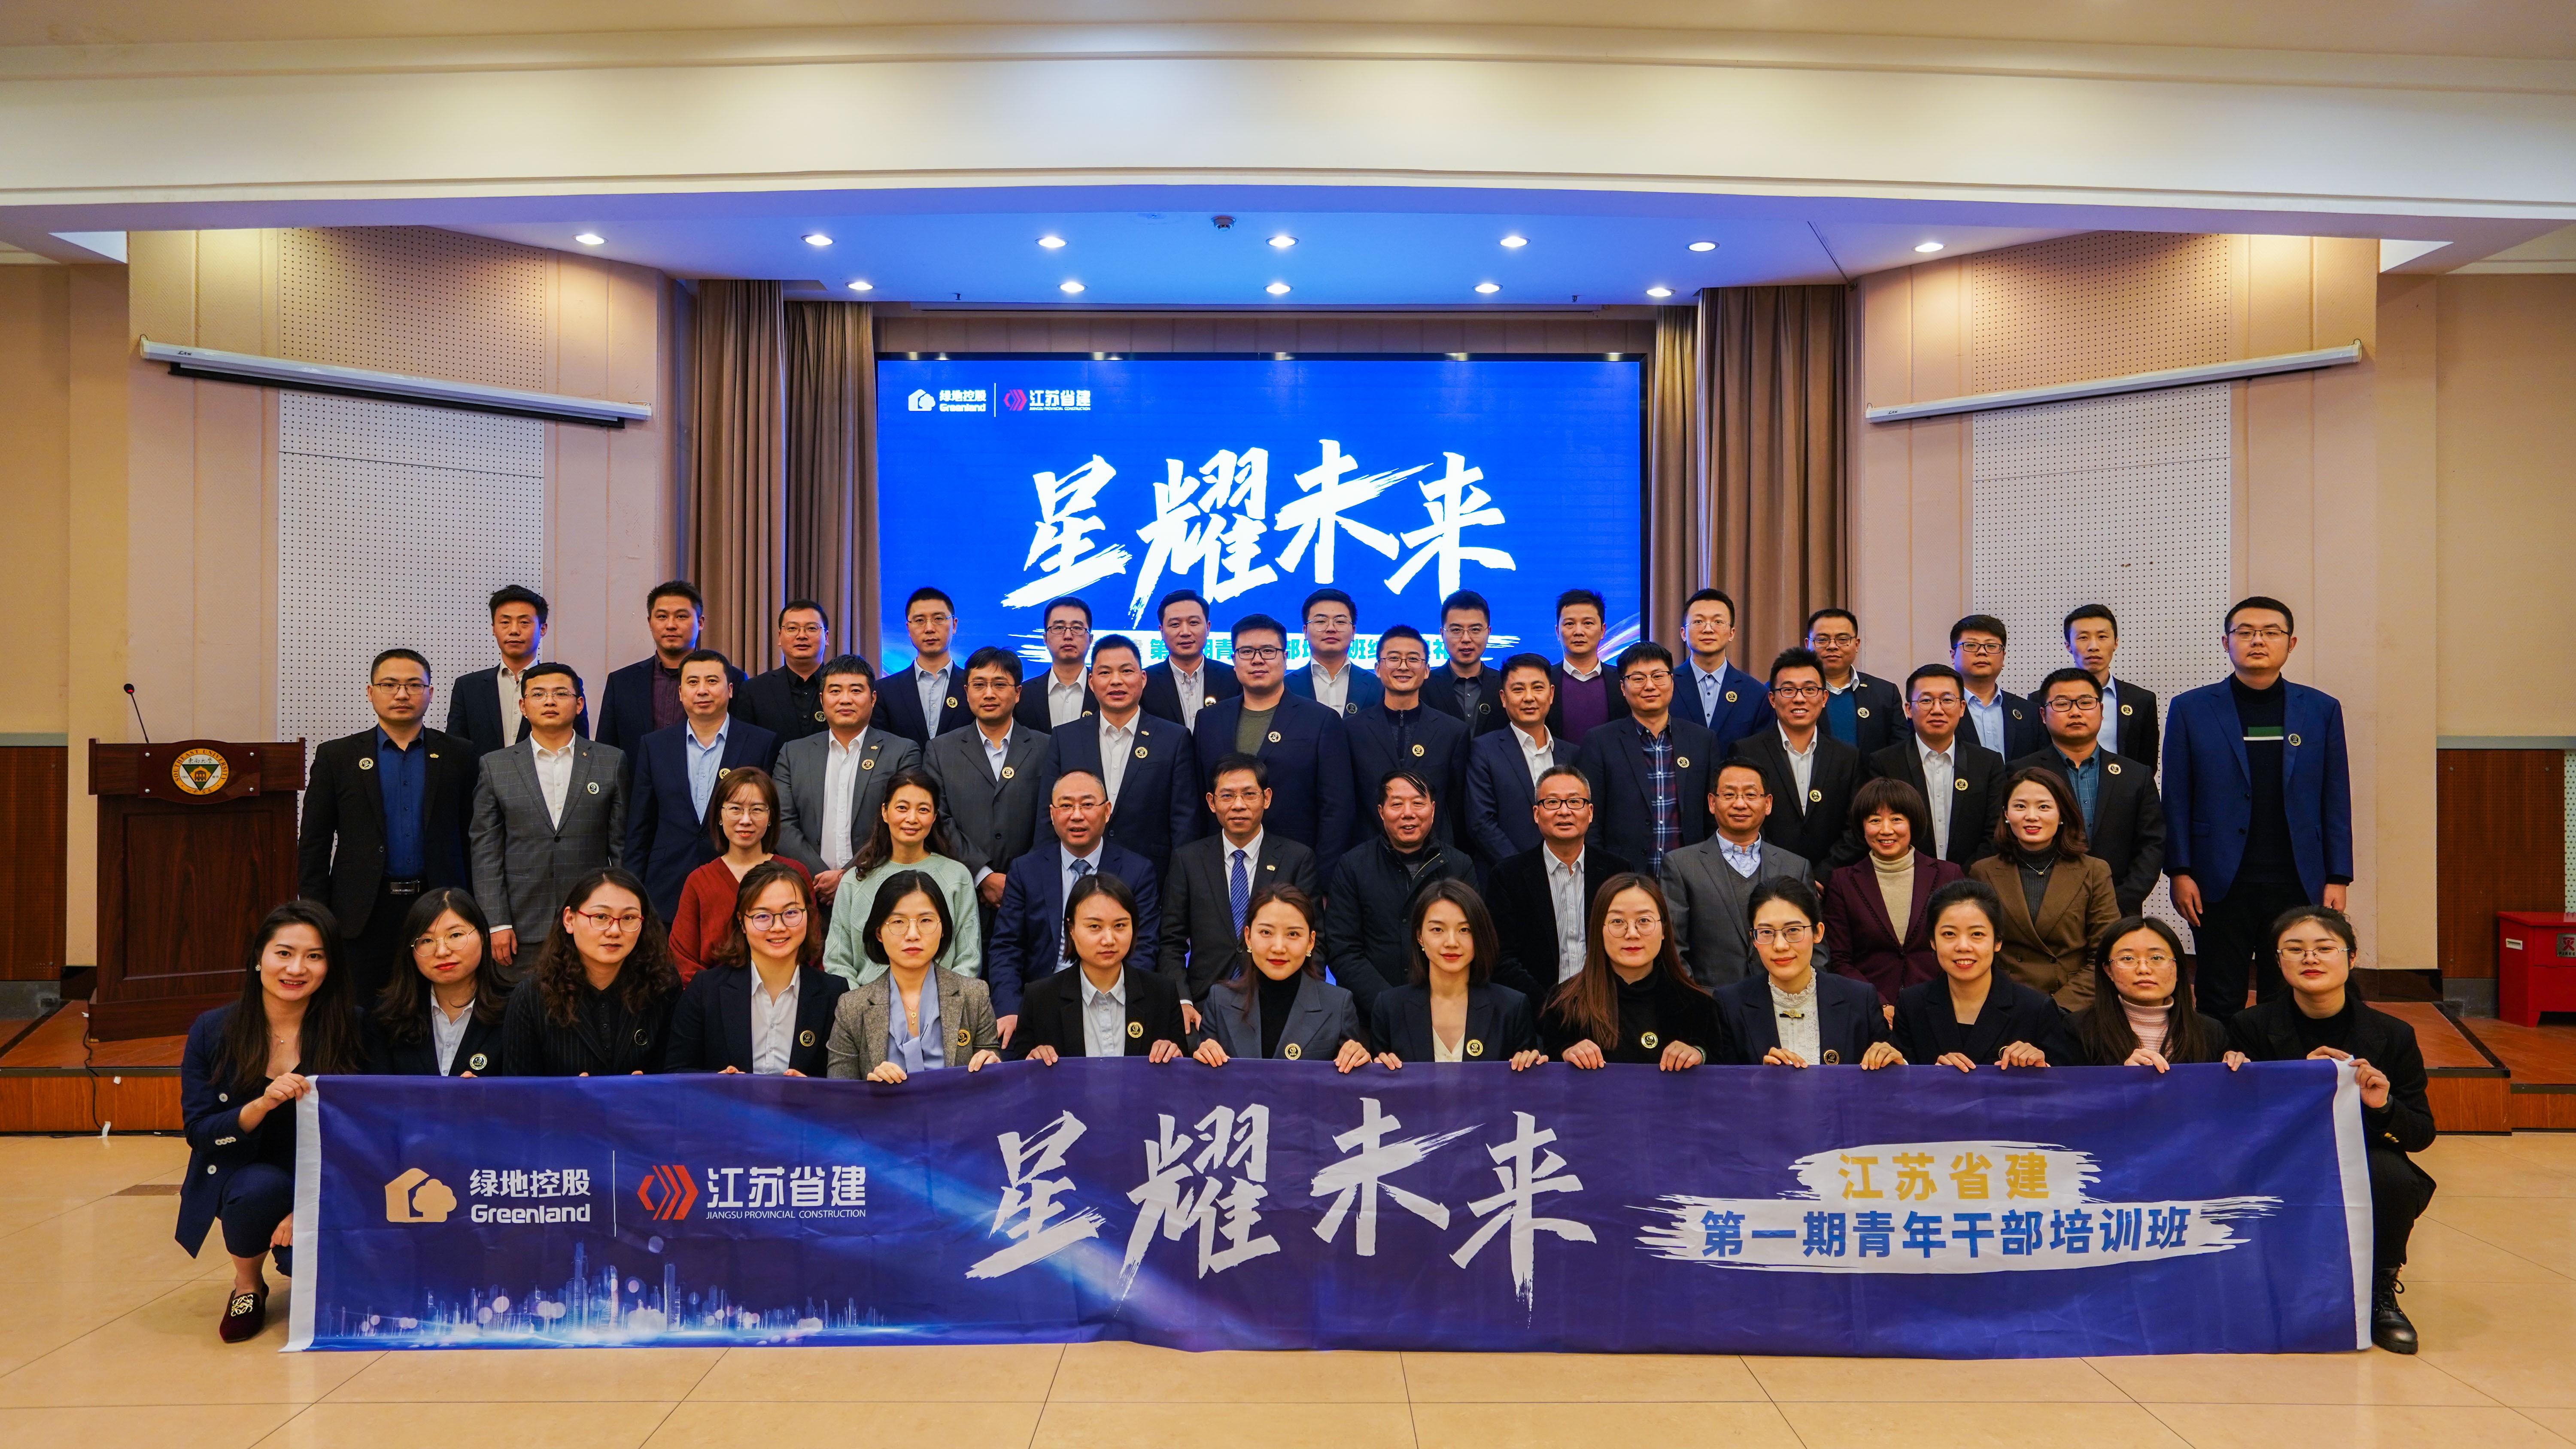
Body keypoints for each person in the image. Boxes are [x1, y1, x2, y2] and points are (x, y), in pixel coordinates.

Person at [2227, 906, 2436, 1354]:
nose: (2310, 959)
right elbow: (2240, 1123)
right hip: (2281, 1157)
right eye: (2295, 949)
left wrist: (2382, 1105)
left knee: (2392, 1174)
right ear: (2278, 960)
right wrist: (2298, 1083)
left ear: (2352, 957)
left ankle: (2380, 1291)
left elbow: (2420, 1133)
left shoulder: (2393, 1034)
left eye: (2325, 948)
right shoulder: (2250, 1027)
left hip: (2359, 1157)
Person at [178, 902, 365, 1343]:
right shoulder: (213, 1030)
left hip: (335, 1177)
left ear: (330, 967)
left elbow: (371, 1129)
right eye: (284, 953)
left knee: (306, 1262)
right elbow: (200, 1132)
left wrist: (312, 1206)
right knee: (256, 1189)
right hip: (249, 1174)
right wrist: (259, 1105)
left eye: (314, 956)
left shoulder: (355, 1027)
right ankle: (247, 1285)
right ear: (259, 957)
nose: (296, 968)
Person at [2165, 596, 2353, 1019]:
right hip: (2216, 878)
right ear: (2226, 642)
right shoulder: (2191, 708)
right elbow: (2176, 797)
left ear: (2291, 643)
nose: (2258, 640)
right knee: (2218, 994)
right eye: (2245, 632)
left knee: (2285, 993)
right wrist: (2179, 870)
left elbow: (2336, 796)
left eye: (2271, 632)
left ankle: (2277, 1064)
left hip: (2297, 877)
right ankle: (2218, 1063)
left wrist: (2338, 875)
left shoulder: (2321, 709)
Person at [298, 648, 483, 1006]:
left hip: (440, 904)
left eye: (414, 685)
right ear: (371, 692)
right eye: (390, 685)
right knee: (364, 1009)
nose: (402, 694)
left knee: (437, 1005)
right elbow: (314, 845)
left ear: (430, 693)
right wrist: (315, 916)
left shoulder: (460, 755)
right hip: (362, 912)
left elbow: (474, 838)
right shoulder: (337, 756)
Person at [468, 662, 623, 972]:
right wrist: (497, 922)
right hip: (521, 925)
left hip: (594, 921)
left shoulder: (611, 761)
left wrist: (618, 915)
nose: (549, 701)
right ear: (523, 707)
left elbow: (620, 847)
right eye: (538, 694)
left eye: (561, 693)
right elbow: (486, 851)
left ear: (579, 704)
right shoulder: (496, 766)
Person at [984, 768, 1158, 1037]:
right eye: (1066, 806)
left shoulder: (1137, 871)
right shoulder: (1026, 871)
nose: (1077, 815)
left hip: (1113, 1000)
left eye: (1087, 805)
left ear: (1107, 811)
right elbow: (1007, 947)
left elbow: (1144, 947)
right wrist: (1009, 1008)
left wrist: (1129, 1003)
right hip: (1041, 1002)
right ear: (1052, 814)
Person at [1191, 612, 1356, 880]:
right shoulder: (1209, 720)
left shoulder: (1320, 720)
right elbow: (1199, 800)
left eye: (1269, 651)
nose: (1257, 660)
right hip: (1220, 869)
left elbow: (1337, 809)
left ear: (1286, 657)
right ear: (1234, 660)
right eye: (1246, 652)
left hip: (1296, 871)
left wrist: (1324, 881)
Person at [626, 649, 780, 921]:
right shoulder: (655, 745)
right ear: (680, 692)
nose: (702, 691)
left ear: (730, 690)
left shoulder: (761, 743)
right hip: (666, 886)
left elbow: (770, 819)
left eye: (712, 681)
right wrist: (630, 892)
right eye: (693, 682)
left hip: (742, 885)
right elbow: (641, 826)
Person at [1157, 753, 1320, 1006]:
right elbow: (1171, 942)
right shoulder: (1188, 860)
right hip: (1204, 1004)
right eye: (1227, 796)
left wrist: (1304, 1005)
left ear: (1267, 798)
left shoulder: (1297, 859)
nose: (1239, 805)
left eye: (1249, 794)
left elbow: (1315, 941)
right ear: (1211, 802)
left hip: (1278, 1002)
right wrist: (1183, 1002)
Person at [1035, 632, 1198, 880]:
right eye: (1105, 673)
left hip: (1151, 877)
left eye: (1126, 671)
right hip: (1077, 877)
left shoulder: (1174, 739)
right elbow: (1048, 818)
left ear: (1143, 678)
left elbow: (1184, 823)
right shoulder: (1065, 738)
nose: (1116, 681)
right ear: (1092, 682)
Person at [2009, 668, 2166, 915]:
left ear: (2101, 711)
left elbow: (2152, 844)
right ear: (2043, 715)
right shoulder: (2020, 773)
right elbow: (2008, 843)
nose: (2075, 712)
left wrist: (2120, 902)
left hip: (2120, 910)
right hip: (2042, 909)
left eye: (2085, 703)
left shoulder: (2136, 775)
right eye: (2062, 704)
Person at [667, 860, 846, 1075]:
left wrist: (812, 1089)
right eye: (763, 916)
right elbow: (676, 1072)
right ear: (742, 922)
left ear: (808, 915)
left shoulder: (835, 994)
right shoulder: (706, 990)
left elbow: (845, 1080)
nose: (778, 927)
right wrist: (717, 1083)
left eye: (791, 913)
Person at [499, 868, 684, 1076]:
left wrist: (649, 1089)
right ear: (569, 920)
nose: (614, 931)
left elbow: (677, 1076)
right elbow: (518, 1089)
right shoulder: (531, 996)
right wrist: (569, 1093)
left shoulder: (663, 987)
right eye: (601, 916)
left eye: (629, 918)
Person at [824, 867, 1003, 1080]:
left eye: (926, 921)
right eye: (898, 922)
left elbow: (993, 1080)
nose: (912, 935)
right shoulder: (851, 1007)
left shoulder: (975, 995)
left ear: (943, 928)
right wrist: (870, 1090)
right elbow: (840, 1091)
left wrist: (993, 1065)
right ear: (879, 932)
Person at [774, 654, 922, 910]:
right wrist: (821, 878)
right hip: (809, 893)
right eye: (835, 691)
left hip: (878, 891)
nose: (845, 699)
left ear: (873, 698)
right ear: (822, 699)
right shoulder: (793, 753)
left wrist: (849, 877)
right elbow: (782, 823)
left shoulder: (902, 752)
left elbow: (902, 823)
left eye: (856, 690)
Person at [1323, 770, 1476, 1018]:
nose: (1408, 813)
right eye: (1397, 804)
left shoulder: (1459, 865)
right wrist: (1389, 1006)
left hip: (1446, 1012)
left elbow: (1472, 940)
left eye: (1418, 803)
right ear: (1381, 812)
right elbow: (1343, 949)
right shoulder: (1353, 866)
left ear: (1433, 809)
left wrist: (1437, 1003)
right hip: (1372, 1015)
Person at [1968, 768, 2119, 1012]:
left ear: (2062, 815)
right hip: (2003, 1004)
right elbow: (1977, 949)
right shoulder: (1983, 872)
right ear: (2006, 814)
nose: (2031, 816)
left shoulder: (2094, 871)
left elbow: (2106, 954)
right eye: (2020, 806)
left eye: (2044, 807)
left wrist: (2057, 1009)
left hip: (2073, 1007)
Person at [817, 768, 984, 988]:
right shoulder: (854, 881)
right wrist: (863, 1004)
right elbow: (838, 962)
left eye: (923, 810)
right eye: (902, 808)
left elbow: (968, 959)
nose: (912, 819)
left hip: (944, 1003)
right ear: (885, 812)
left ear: (935, 817)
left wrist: (943, 1001)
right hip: (864, 1004)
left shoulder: (957, 876)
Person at [1889, 879, 2077, 1068]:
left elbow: (2065, 1080)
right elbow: (1901, 1078)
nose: (1963, 946)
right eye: (1949, 934)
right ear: (1932, 941)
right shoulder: (1912, 1005)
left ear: (1998, 941)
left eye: (1977, 934)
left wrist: (2043, 1068)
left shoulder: (2035, 1009)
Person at [1715, 878, 1901, 1068]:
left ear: (1818, 933)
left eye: (1793, 930)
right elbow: (1720, 1083)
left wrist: (1892, 1062)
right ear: (1754, 939)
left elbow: (1889, 1074)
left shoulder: (1859, 999)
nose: (1780, 946)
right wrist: (1759, 1079)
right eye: (1767, 933)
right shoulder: (1730, 1005)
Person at [1003, 873, 1189, 1062]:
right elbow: (1020, 1074)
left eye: (1120, 925)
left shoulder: (1162, 993)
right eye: (1095, 927)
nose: (1109, 940)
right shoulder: (1040, 999)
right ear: (1071, 929)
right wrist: (1032, 1064)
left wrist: (1174, 1056)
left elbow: (1182, 1073)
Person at [923, 646, 1051, 918]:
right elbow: (937, 819)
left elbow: (1051, 819)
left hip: (1033, 893)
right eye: (979, 685)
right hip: (961, 893)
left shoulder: (1046, 748)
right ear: (967, 691)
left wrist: (1020, 877)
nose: (989, 694)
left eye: (1000, 685)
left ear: (1018, 692)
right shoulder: (940, 750)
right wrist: (983, 875)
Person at [1540, 874, 1718, 1070]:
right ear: (1598, 929)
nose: (1632, 934)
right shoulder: (1565, 1004)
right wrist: (1566, 1056)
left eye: (1644, 920)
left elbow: (1723, 1074)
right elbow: (1547, 1073)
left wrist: (1699, 1056)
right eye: (1618, 921)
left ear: (1664, 930)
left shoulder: (1697, 1005)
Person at [1664, 761, 1814, 988]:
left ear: (1768, 804)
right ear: (1713, 803)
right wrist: (1697, 1001)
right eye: (1729, 795)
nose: (1740, 804)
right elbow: (1674, 948)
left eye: (1751, 795)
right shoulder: (1681, 866)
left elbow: (1815, 945)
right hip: (1709, 1002)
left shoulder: (1796, 867)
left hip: (1784, 999)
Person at [1486, 766, 1633, 1000]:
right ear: (1537, 814)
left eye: (1575, 802)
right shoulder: (1507, 876)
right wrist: (1550, 1008)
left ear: (1590, 812)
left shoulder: (1618, 871)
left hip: (1608, 1003)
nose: (1564, 812)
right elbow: (1501, 958)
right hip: (1538, 1010)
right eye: (1552, 802)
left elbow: (1629, 945)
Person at [1367, 878, 1545, 1068]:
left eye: (1465, 930)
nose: (1452, 942)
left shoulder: (1512, 1007)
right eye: (1438, 929)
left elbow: (1526, 1083)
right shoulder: (1390, 1008)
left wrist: (1532, 1065)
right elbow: (1376, 1083)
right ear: (1420, 937)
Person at [1821, 778, 1965, 1009]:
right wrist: (1878, 1005)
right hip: (1869, 1009)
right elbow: (1840, 960)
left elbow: (1961, 945)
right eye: (1875, 820)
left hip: (1940, 1005)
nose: (1886, 830)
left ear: (1913, 823)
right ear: (1862, 826)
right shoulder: (1843, 882)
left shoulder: (1949, 875)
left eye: (1897, 819)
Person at [1191, 886, 1371, 1070]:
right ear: (1248, 937)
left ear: (1311, 942)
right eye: (1266, 932)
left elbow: (1348, 1081)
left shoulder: (1338, 1005)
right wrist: (1203, 1057)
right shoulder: (1220, 1000)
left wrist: (1359, 1061)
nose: (1278, 948)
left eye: (1293, 934)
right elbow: (1205, 1082)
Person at [1577, 641, 1716, 878]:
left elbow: (1713, 817)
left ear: (1672, 681)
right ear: (1623, 687)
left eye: (1658, 676)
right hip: (1623, 876)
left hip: (1690, 877)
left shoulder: (1702, 740)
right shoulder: (1600, 742)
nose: (1650, 686)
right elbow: (1591, 820)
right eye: (1638, 678)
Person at [1728, 648, 1865, 878]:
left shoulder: (1848, 758)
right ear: (1773, 699)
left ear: (1824, 698)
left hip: (1831, 884)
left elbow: (1856, 827)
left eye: (1810, 690)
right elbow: (1743, 821)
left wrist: (1822, 876)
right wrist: (1785, 873)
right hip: (1766, 880)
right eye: (1788, 690)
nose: (1799, 699)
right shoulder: (1747, 752)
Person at [667, 767, 812, 982]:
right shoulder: (699, 881)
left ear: (771, 817)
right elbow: (683, 960)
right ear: (719, 815)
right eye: (735, 809)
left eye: (757, 810)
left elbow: (813, 950)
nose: (746, 820)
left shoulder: (795, 874)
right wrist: (709, 996)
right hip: (713, 996)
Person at [1346, 624, 1473, 855]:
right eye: (1393, 658)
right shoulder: (1351, 729)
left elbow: (1456, 806)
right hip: (1367, 856)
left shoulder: (1453, 732)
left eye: (1413, 659)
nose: (1403, 666)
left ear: (1427, 670)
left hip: (1435, 855)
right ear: (1378, 669)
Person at [1866, 664, 2005, 868]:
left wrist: (1963, 877)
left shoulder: (1988, 763)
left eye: (1947, 700)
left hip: (1972, 879)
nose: (1937, 710)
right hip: (1906, 876)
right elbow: (1881, 829)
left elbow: (1995, 831)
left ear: (1962, 708)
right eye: (1926, 701)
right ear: (1908, 709)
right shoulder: (1885, 764)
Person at [596, 580, 745, 761]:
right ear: (650, 622)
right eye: (662, 617)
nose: (671, 625)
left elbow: (743, 742)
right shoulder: (622, 682)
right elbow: (605, 753)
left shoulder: (733, 678)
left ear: (700, 623)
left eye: (681, 617)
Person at [366, 888, 508, 1076]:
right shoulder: (389, 1015)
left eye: (455, 935)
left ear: (483, 936)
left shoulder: (513, 1010)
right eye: (426, 941)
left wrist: (488, 1091)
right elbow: (378, 1090)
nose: (442, 952)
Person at [2073, 917, 2237, 1070]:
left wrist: (2237, 1070)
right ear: (2108, 970)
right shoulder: (2079, 1031)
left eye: (2157, 958)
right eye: (2128, 959)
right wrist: (2121, 1076)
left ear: (2177, 968)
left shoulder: (2210, 1033)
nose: (2143, 969)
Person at [447, 585, 586, 751]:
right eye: (505, 622)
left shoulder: (566, 685)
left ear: (543, 629)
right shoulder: (468, 687)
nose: (514, 631)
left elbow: (581, 745)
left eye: (524, 623)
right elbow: (455, 749)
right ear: (494, 629)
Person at [1464, 653, 1569, 864]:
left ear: (1551, 694)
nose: (1529, 698)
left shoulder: (1571, 754)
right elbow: (1481, 823)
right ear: (1504, 698)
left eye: (1538, 688)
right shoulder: (1484, 751)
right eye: (1519, 690)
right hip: (1506, 873)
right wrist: (1522, 870)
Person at [1672, 589, 1773, 753]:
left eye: (1718, 622)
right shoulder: (1665, 686)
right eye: (1698, 622)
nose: (1708, 629)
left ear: (1732, 633)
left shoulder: (1756, 694)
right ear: (1684, 633)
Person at [2065, 604, 2158, 773]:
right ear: (2068, 646)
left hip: (2122, 787)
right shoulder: (2043, 700)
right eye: (2083, 638)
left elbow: (2147, 766)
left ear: (2116, 643)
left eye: (2102, 637)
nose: (2093, 646)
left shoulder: (2141, 701)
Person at [876, 586, 972, 744]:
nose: (929, 629)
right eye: (920, 621)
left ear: (954, 625)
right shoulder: (883, 691)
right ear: (908, 628)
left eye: (938, 619)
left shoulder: (974, 686)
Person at [732, 599, 834, 743]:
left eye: (812, 628)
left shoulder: (844, 689)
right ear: (780, 637)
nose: (802, 636)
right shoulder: (754, 690)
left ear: (826, 637)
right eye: (792, 629)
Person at [1804, 608, 1902, 756]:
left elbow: (1900, 752)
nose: (1832, 646)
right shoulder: (1786, 693)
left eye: (1843, 640)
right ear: (1808, 645)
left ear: (1856, 644)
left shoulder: (1886, 693)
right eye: (1822, 640)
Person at [1140, 587, 1241, 729]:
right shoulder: (1144, 683)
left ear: (1208, 628)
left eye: (1193, 623)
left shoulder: (1234, 678)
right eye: (1175, 625)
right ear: (1162, 631)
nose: (1185, 632)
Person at [1950, 614, 2044, 761]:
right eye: (1971, 645)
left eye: (1991, 646)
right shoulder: (1941, 709)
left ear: (2003, 657)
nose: (1982, 652)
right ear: (1953, 656)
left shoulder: (2030, 712)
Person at [1420, 589, 1508, 737]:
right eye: (1456, 630)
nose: (1466, 639)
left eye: (1475, 630)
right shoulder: (1423, 686)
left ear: (1489, 632)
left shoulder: (1505, 684)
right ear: (1442, 634)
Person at [1283, 587, 1382, 717]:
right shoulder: (1285, 686)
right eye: (1321, 621)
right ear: (1305, 631)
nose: (1331, 628)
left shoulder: (1377, 686)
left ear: (1353, 632)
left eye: (1340, 622)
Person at [1547, 588, 1628, 743]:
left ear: (1603, 630)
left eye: (1588, 623)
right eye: (1570, 624)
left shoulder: (1623, 681)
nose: (1579, 632)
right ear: (1558, 632)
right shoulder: (1545, 681)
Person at [1014, 595, 1100, 731]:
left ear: (1090, 639)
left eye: (1077, 628)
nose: (1068, 636)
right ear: (1045, 639)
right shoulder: (1023, 695)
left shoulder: (1105, 690)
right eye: (1059, 628)